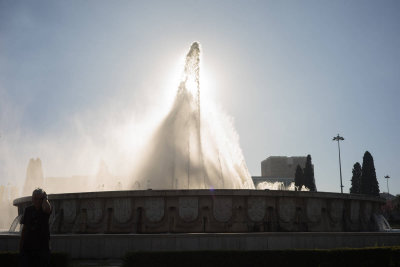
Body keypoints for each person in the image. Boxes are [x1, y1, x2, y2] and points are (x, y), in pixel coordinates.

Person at [19, 188, 52, 267]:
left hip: (42, 247)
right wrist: (21, 244)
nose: (37, 201)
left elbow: (47, 209)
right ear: (32, 199)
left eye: (39, 199)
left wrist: (46, 198)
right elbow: (24, 228)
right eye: (34, 198)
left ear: (43, 199)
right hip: (28, 247)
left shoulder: (45, 209)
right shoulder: (28, 210)